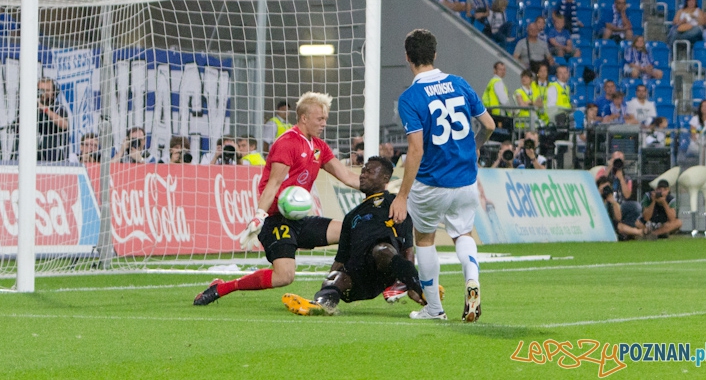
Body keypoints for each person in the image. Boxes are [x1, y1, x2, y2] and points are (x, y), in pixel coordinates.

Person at [193, 92, 360, 306]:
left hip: (298, 220)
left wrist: (382, 190)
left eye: (325, 119)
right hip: (276, 220)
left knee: (351, 230)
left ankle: (329, 290)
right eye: (320, 119)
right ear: (304, 118)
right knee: (284, 276)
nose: (324, 123)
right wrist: (259, 217)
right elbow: (272, 185)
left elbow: (346, 176)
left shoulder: (318, 146)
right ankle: (222, 287)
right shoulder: (287, 143)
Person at [391, 29, 496, 321]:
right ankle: (472, 280)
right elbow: (488, 124)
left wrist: (402, 195)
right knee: (463, 233)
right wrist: (475, 146)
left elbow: (415, 150)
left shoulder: (411, 97)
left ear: (408, 58)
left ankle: (434, 309)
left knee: (424, 240)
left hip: (431, 182)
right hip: (465, 179)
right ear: (435, 54)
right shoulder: (459, 84)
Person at [281, 156, 426, 316]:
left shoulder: (394, 203)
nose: (363, 175)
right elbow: (341, 258)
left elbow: (407, 248)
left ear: (385, 178)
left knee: (382, 249)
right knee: (337, 277)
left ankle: (422, 290)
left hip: (385, 270)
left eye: (369, 172)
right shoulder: (352, 216)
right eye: (363, 171)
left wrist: (410, 283)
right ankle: (321, 305)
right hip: (360, 275)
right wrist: (330, 281)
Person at [598, 176, 645, 240]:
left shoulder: (610, 201)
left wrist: (613, 203)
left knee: (619, 224)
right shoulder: (594, 198)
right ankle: (639, 232)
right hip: (600, 223)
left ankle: (638, 233)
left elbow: (618, 218)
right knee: (619, 226)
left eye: (608, 188)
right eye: (604, 188)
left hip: (611, 223)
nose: (606, 190)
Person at [37, 77, 69, 162]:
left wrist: (45, 109)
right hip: (37, 158)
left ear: (54, 92)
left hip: (57, 159)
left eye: (47, 90)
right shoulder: (33, 110)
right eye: (41, 90)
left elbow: (64, 124)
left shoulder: (59, 108)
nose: (43, 93)